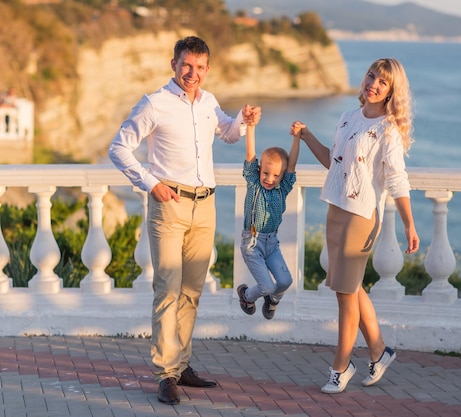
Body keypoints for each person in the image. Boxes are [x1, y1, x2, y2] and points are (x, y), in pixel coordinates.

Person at [108, 36, 261, 405]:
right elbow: (118, 148)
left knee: (192, 292)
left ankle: (182, 365)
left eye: (200, 67)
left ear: (207, 69)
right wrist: (150, 183)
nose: (193, 73)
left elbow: (226, 132)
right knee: (168, 290)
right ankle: (165, 374)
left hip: (205, 205)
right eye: (186, 65)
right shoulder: (154, 103)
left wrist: (244, 120)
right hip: (169, 205)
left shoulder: (208, 102)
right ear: (173, 63)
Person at [290, 58, 419, 394]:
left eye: (383, 82)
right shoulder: (348, 118)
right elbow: (333, 162)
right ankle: (379, 351)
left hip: (361, 217)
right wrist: (306, 136)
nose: (373, 84)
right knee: (350, 287)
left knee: (345, 295)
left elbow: (396, 179)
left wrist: (409, 224)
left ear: (392, 92)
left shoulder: (387, 130)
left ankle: (341, 366)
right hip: (336, 210)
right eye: (371, 76)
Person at [236, 123, 300, 320]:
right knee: (267, 286)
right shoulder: (254, 184)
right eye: (265, 173)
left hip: (272, 244)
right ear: (259, 170)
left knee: (285, 281)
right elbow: (250, 154)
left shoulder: (283, 188)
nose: (269, 179)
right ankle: (246, 296)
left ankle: (273, 301)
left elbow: (292, 165)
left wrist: (296, 138)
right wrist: (251, 127)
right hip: (252, 243)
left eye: (275, 175)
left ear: (282, 176)